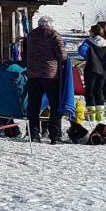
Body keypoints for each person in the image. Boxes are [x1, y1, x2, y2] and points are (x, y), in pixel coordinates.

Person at [25, 16, 68, 144]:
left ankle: (34, 134)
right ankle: (55, 135)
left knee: (34, 105)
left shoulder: (31, 35)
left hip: (33, 73)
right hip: (50, 75)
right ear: (50, 24)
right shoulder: (53, 35)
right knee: (54, 105)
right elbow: (62, 55)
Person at [78, 24, 106, 122]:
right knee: (99, 90)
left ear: (93, 32)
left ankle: (91, 115)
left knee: (89, 91)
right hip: (103, 71)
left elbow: (81, 51)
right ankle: (99, 115)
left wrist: (89, 57)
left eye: (90, 31)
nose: (89, 32)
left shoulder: (89, 42)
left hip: (91, 69)